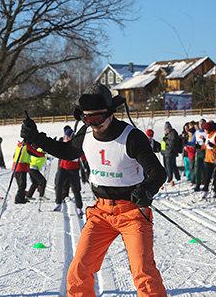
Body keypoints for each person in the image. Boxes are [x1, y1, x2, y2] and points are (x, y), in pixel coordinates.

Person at [20, 83, 168, 296]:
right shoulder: (86, 133)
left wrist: (147, 189)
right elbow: (68, 151)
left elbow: (157, 172)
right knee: (78, 271)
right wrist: (36, 137)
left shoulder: (131, 137)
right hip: (101, 213)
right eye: (87, 119)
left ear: (110, 113)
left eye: (97, 119)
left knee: (142, 272)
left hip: (132, 211)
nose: (93, 124)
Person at [53, 128, 85, 216]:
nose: (66, 138)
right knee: (58, 185)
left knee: (76, 189)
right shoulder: (62, 142)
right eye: (65, 136)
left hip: (73, 169)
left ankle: (79, 208)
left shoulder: (76, 144)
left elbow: (82, 155)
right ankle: (58, 204)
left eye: (68, 137)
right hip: (62, 168)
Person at [199, 122, 216, 199]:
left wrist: (214, 146)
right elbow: (206, 145)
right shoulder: (208, 135)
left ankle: (215, 191)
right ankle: (205, 190)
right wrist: (200, 147)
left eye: (205, 129)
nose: (205, 131)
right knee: (207, 175)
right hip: (208, 158)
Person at [189, 118, 207, 191]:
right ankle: (197, 183)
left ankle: (206, 183)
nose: (201, 125)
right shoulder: (196, 132)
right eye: (199, 124)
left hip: (205, 152)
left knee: (205, 169)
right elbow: (193, 142)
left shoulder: (206, 132)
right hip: (198, 152)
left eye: (202, 124)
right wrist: (188, 143)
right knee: (197, 169)